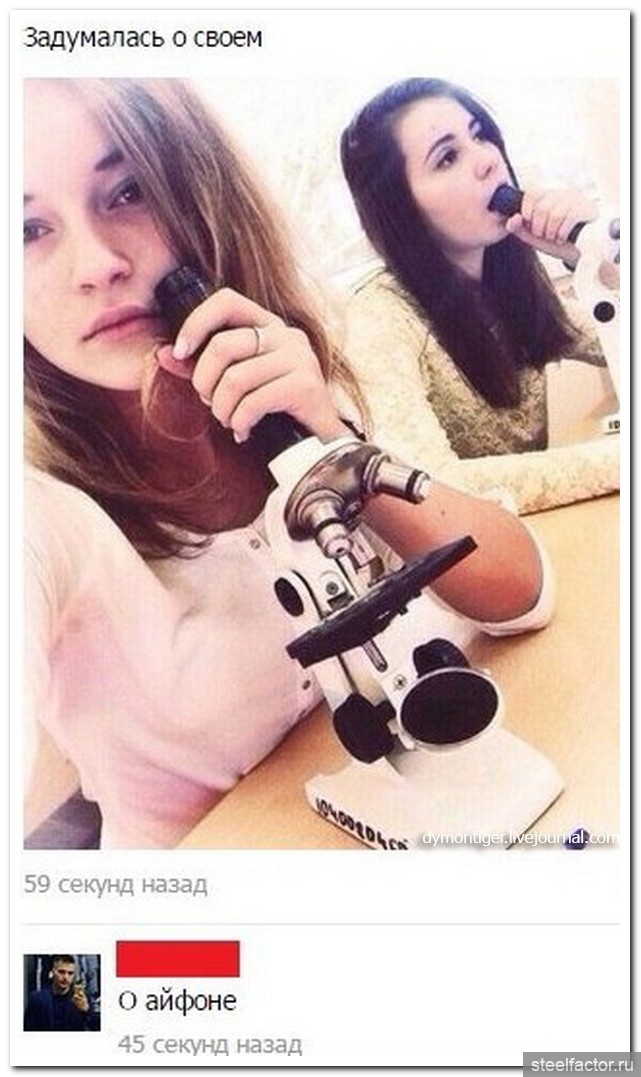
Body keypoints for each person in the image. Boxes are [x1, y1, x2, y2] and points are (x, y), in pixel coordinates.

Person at [24, 78, 554, 850]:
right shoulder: (38, 512)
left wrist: (330, 437)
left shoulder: (291, 376)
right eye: (27, 229)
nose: (97, 264)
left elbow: (521, 594)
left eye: (128, 192)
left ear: (204, 195)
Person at [340, 77, 620, 514]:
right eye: (447, 157)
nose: (488, 160)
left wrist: (595, 258)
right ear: (401, 208)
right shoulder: (378, 316)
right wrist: (621, 460)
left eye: (480, 135)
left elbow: (616, 345)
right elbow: (428, 484)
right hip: (481, 554)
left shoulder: (506, 279)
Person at [24, 956, 92, 1031]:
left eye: (70, 973)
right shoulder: (37, 999)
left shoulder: (81, 999)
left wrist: (86, 1011)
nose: (66, 977)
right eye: (61, 972)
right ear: (53, 972)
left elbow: (95, 1027)